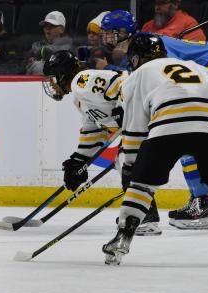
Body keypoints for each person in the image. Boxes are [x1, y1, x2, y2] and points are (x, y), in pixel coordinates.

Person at [102, 34, 208, 265]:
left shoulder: (138, 76)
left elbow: (134, 128)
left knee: (142, 185)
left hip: (168, 125)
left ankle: (122, 239)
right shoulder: (193, 65)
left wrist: (132, 164)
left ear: (134, 59)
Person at [101, 9, 208, 229]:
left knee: (188, 134)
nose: (107, 37)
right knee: (187, 138)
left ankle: (202, 204)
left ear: (127, 32)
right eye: (105, 33)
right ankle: (202, 203)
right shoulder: (142, 46)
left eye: (112, 32)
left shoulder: (148, 46)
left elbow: (169, 75)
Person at [42, 50, 160, 235]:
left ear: (61, 73)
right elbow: (94, 130)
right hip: (145, 121)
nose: (51, 83)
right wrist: (79, 160)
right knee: (125, 160)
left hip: (153, 114)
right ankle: (144, 212)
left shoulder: (84, 79)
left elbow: (123, 82)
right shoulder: (80, 100)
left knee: (126, 159)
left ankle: (143, 215)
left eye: (51, 77)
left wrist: (122, 108)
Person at [141, 0, 205, 41]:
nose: (156, 8)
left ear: (175, 4)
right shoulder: (147, 26)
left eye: (162, 3)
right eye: (156, 3)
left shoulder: (188, 24)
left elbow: (195, 50)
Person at [25, 10, 74, 75]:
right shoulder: (36, 45)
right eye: (45, 25)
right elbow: (21, 66)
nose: (47, 28)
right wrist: (26, 63)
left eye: (52, 25)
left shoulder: (70, 48)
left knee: (38, 66)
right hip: (31, 83)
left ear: (62, 30)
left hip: (56, 84)